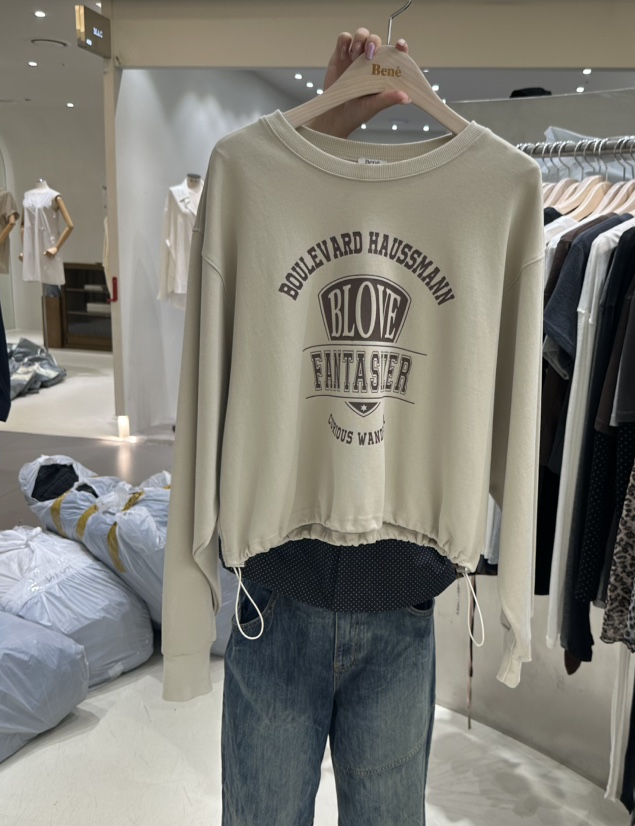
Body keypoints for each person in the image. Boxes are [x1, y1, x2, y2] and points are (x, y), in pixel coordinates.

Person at [221, 29, 447, 826]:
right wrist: (320, 127)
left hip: (397, 587)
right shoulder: (251, 183)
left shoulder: (482, 199)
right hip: (282, 579)